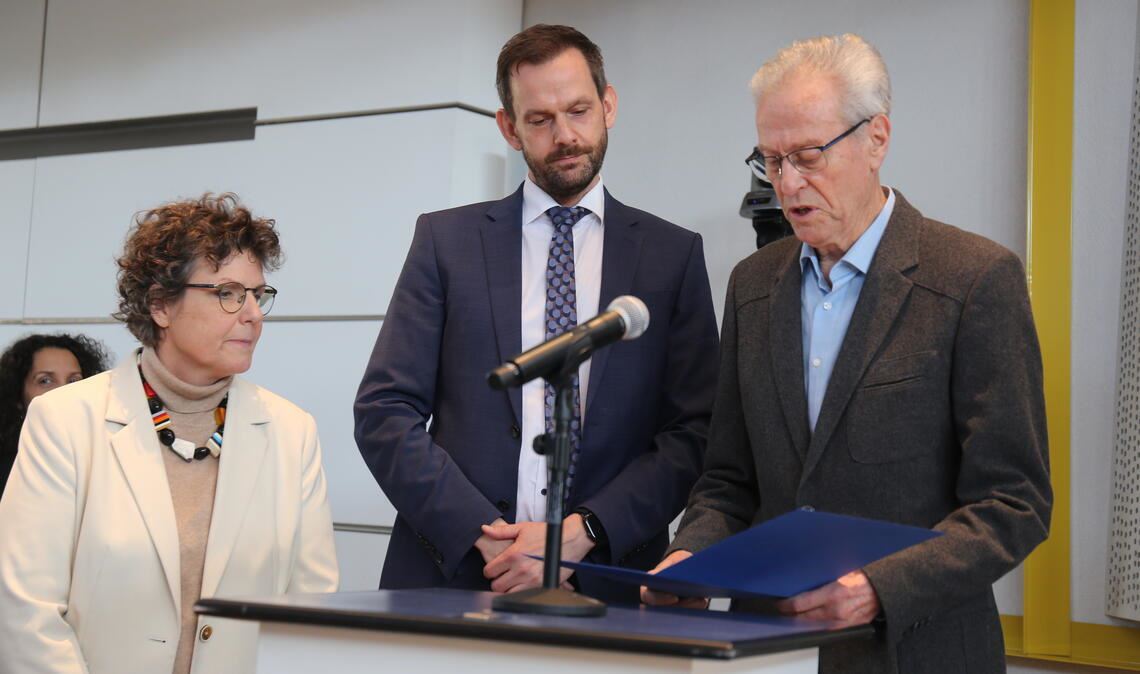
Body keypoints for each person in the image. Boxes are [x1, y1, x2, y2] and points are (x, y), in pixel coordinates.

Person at [643, 34, 1052, 673]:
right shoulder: (752, 286)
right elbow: (727, 481)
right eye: (770, 160)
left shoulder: (975, 278)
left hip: (921, 651)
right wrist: (689, 555)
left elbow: (1014, 503)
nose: (787, 183)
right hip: (769, 652)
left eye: (807, 155)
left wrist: (878, 591)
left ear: (876, 139)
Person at [354, 24, 719, 602]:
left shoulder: (672, 257)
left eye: (578, 111)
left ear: (609, 105)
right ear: (509, 127)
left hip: (609, 581)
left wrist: (584, 534)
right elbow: (384, 411)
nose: (565, 136)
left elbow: (694, 431)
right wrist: (486, 537)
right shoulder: (445, 241)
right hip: (453, 578)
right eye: (540, 120)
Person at [0, 194, 339, 674]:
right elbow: (25, 609)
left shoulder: (290, 431)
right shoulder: (66, 420)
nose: (253, 314)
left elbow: (310, 615)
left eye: (258, 294)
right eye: (228, 293)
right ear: (160, 305)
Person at [0, 333, 111, 495]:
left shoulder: (107, 459)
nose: (63, 391)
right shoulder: (7, 469)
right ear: (18, 396)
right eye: (45, 380)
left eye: (73, 381)